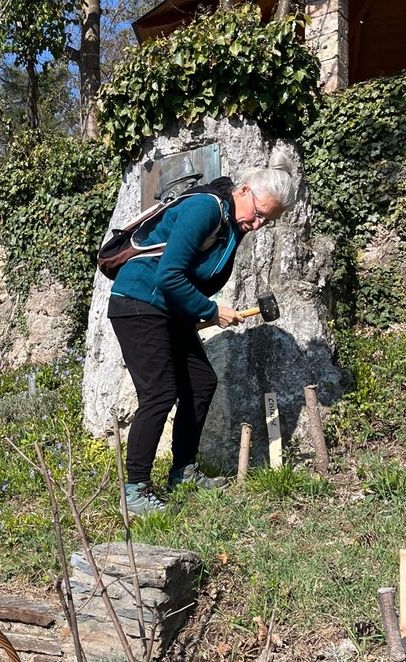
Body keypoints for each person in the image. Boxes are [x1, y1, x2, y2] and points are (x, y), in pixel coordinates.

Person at [108, 153, 296, 515]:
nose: (257, 225)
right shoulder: (205, 209)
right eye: (258, 214)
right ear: (243, 190)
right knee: (159, 393)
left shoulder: (232, 223)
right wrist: (212, 311)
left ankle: (183, 471)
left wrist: (206, 313)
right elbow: (169, 276)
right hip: (137, 303)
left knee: (200, 382)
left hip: (168, 309)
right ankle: (135, 491)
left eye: (266, 222)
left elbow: (191, 281)